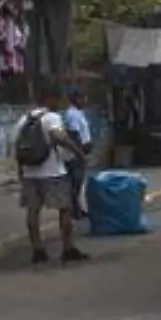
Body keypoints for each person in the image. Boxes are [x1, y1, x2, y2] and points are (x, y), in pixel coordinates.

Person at [17, 85, 88, 266]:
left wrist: (21, 173)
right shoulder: (51, 117)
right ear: (51, 99)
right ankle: (68, 248)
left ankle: (38, 250)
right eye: (58, 99)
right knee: (65, 209)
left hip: (29, 174)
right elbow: (59, 137)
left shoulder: (22, 120)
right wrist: (78, 152)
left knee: (33, 212)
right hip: (53, 173)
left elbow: (16, 149)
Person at [63, 89, 93, 221]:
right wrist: (80, 153)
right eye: (83, 98)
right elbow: (74, 134)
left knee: (79, 183)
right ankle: (74, 210)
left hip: (80, 152)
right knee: (75, 182)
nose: (85, 101)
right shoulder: (72, 114)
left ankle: (78, 209)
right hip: (76, 154)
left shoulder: (78, 113)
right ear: (76, 99)